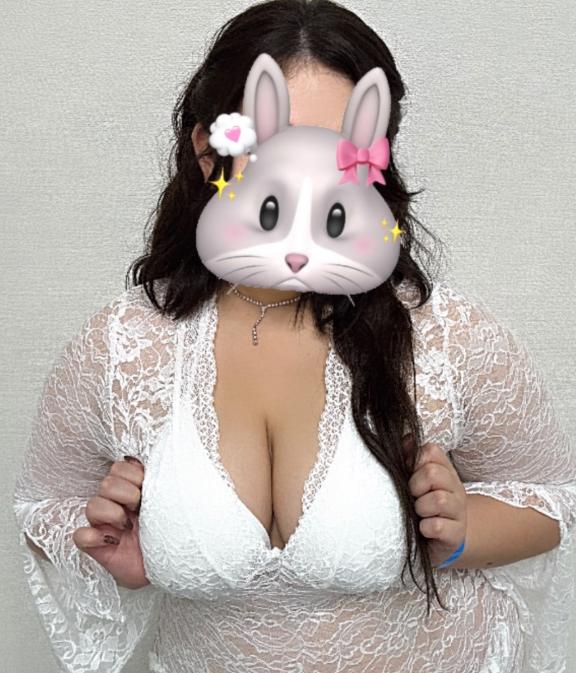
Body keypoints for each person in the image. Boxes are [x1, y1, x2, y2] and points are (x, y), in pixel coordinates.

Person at [12, 1, 576, 672]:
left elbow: (553, 497)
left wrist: (460, 531)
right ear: (209, 152)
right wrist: (122, 550)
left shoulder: (445, 335)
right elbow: (42, 507)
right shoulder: (121, 346)